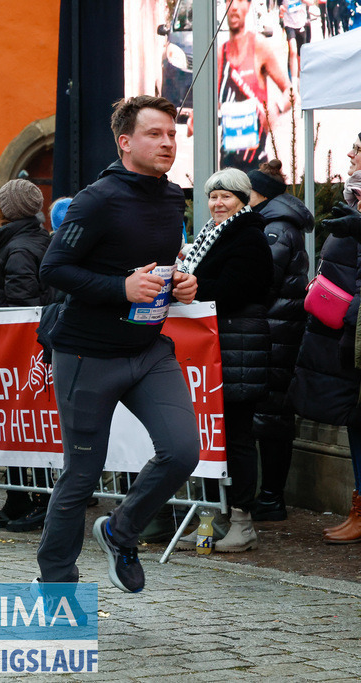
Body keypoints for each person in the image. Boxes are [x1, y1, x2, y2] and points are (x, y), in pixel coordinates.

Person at [37, 95, 200, 593]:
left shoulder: (173, 198)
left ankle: (120, 530)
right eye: (155, 134)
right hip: (88, 354)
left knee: (182, 451)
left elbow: (158, 264)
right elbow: (54, 269)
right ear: (125, 142)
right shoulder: (97, 199)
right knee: (81, 477)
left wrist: (182, 285)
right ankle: (57, 584)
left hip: (148, 351)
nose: (167, 143)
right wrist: (119, 289)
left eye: (172, 134)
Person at [179, 168, 273, 552]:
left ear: (243, 199)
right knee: (210, 437)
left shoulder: (248, 236)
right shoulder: (211, 234)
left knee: (235, 436)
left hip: (238, 348)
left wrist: (193, 286)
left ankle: (242, 521)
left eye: (226, 197)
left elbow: (240, 289)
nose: (217, 204)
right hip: (215, 347)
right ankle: (211, 518)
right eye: (213, 197)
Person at [0, 179, 55, 533]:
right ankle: (19, 496)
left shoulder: (22, 248)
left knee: (29, 422)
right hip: (21, 345)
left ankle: (40, 498)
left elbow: (25, 307)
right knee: (16, 422)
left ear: (8, 210)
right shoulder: (26, 238)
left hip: (25, 345)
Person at [294, 132, 361, 543]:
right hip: (344, 340)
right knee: (356, 424)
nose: (352, 153)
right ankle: (359, 506)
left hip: (351, 331)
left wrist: (347, 309)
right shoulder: (353, 199)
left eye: (359, 148)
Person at [248, 159, 313, 521]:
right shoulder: (276, 224)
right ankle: (270, 496)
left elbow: (262, 282)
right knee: (271, 416)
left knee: (272, 417)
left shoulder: (274, 229)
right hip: (277, 330)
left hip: (274, 333)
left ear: (258, 193)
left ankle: (271, 498)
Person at [204, 0, 292, 171]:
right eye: (229, 1)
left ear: (248, 5)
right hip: (227, 162)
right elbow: (214, 101)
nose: (234, 6)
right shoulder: (221, 54)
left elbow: (290, 91)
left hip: (256, 161)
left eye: (239, 0)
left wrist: (277, 108)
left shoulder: (259, 46)